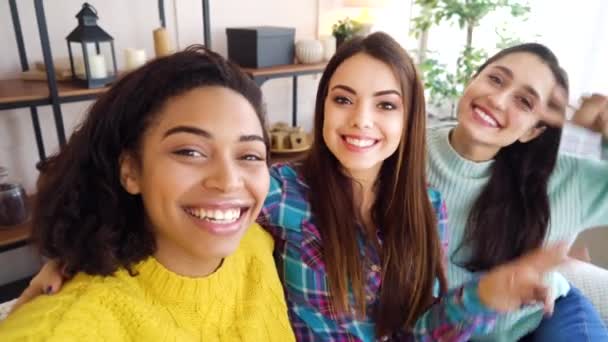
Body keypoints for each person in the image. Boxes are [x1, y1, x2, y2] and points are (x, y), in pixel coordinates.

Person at [10, 33, 569, 341]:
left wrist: (486, 298)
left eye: (386, 105)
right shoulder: (277, 192)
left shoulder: (428, 208)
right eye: (343, 98)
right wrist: (72, 257)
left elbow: (418, 333)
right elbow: (176, 214)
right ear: (322, 106)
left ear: (410, 120)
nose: (361, 122)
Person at [0, 46, 295, 341]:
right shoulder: (68, 326)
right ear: (131, 172)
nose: (229, 181)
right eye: (190, 151)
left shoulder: (256, 243)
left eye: (250, 156)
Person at [425, 42, 608, 341]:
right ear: (473, 79)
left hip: (544, 317)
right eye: (495, 79)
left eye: (524, 101)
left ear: (533, 130)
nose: (497, 100)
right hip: (450, 325)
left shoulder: (564, 179)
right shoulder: (401, 149)